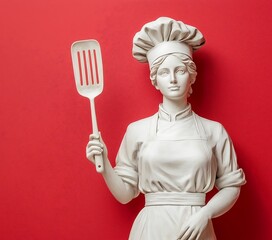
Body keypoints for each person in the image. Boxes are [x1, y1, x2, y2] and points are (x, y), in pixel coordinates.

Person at [86, 17, 246, 240]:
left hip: (196, 230)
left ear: (192, 75)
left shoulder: (214, 131)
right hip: (151, 230)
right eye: (163, 72)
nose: (172, 79)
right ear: (155, 80)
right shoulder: (137, 131)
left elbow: (232, 186)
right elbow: (125, 195)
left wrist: (205, 213)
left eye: (179, 70)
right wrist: (104, 166)